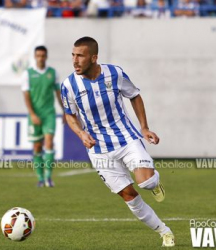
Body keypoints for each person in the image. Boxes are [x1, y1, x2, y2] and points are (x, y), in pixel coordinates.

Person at [61, 36, 175, 247]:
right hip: (99, 150)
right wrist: (80, 133)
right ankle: (164, 231)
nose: (75, 60)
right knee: (129, 195)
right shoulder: (68, 85)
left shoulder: (115, 73)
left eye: (80, 56)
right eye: (73, 55)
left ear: (94, 58)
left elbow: (135, 95)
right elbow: (69, 115)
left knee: (147, 182)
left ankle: (155, 182)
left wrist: (144, 127)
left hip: (126, 138)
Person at [22, 46, 64, 188]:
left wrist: (65, 111)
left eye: (43, 55)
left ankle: (48, 177)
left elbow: (58, 94)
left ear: (46, 56)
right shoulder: (28, 74)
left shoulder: (53, 73)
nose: (40, 58)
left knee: (49, 142)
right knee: (37, 146)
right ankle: (40, 178)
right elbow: (26, 96)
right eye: (38, 55)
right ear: (35, 57)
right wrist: (33, 114)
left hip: (49, 114)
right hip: (35, 114)